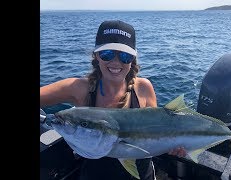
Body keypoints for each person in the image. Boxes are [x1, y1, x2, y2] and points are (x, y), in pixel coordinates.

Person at [40, 20, 186, 180]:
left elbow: (156, 132)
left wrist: (175, 146)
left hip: (142, 175)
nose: (116, 62)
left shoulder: (143, 87)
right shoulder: (79, 88)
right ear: (96, 55)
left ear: (133, 59)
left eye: (124, 56)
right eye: (107, 54)